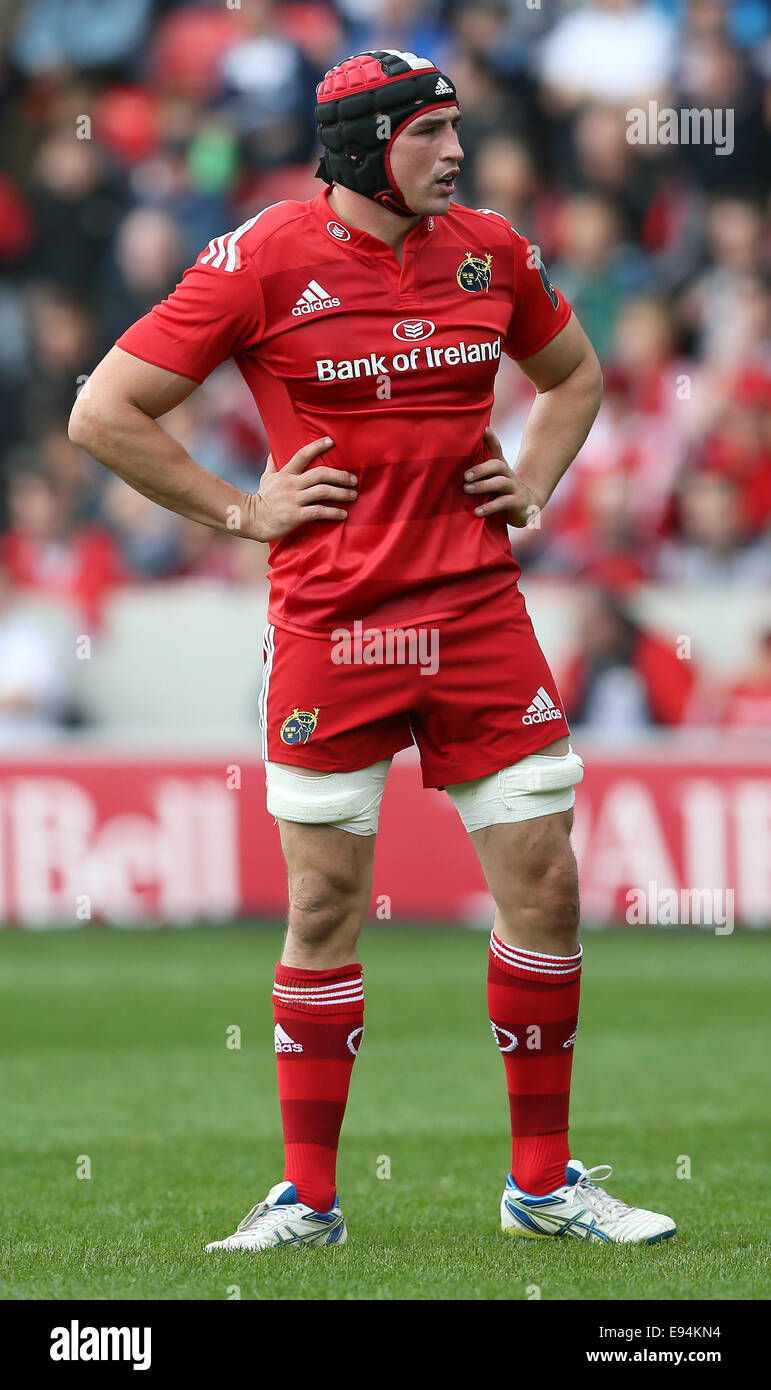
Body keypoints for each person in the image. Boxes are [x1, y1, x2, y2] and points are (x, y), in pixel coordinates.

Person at [69, 49, 676, 1248]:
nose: (457, 152)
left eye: (457, 129)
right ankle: (310, 1198)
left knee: (546, 883)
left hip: (476, 618)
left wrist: (535, 484)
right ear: (362, 148)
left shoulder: (493, 250)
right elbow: (103, 411)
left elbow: (572, 378)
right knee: (324, 906)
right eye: (429, 133)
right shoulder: (257, 259)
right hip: (330, 630)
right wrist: (241, 513)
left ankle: (543, 1187)